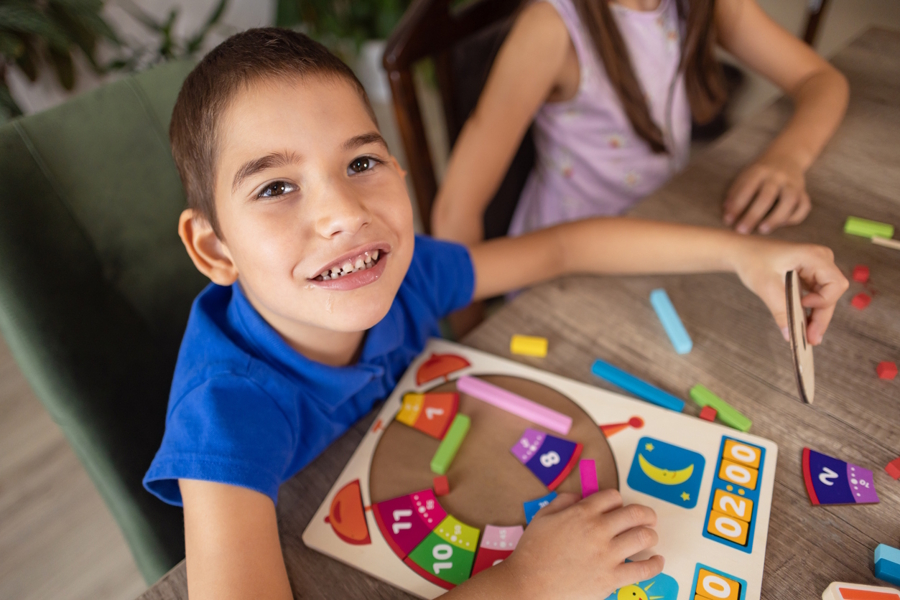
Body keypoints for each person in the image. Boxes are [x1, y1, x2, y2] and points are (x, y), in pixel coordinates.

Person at [142, 28, 847, 600]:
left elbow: (563, 247)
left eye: (361, 165)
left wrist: (742, 256)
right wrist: (527, 582)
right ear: (213, 248)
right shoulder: (225, 413)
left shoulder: (406, 270)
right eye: (275, 187)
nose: (342, 215)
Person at [430, 0, 849, 244]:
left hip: (662, 224)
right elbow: (454, 213)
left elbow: (820, 80)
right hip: (562, 261)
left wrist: (787, 159)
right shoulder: (550, 30)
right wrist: (470, 340)